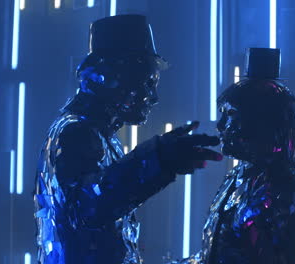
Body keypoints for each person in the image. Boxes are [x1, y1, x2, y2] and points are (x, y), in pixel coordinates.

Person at [34, 15, 223, 264]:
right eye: (146, 83)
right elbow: (90, 207)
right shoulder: (76, 133)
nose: (153, 97)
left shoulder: (96, 135)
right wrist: (157, 160)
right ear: (110, 76)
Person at [174, 48, 295, 264]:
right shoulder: (239, 176)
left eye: (230, 115)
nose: (220, 126)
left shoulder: (287, 187)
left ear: (260, 121)